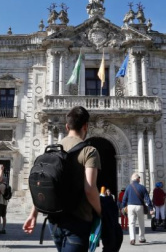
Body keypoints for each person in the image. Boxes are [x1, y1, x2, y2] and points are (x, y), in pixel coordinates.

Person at [23, 106, 101, 252]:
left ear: (66, 126)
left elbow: (46, 183)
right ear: (86, 126)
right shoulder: (89, 151)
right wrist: (100, 212)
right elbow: (90, 188)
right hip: (78, 222)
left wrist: (33, 214)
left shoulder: (53, 149)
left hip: (54, 222)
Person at [122, 173, 154, 245]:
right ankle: (141, 238)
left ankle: (132, 238)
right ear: (137, 179)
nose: (140, 179)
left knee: (131, 223)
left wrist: (123, 207)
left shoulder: (128, 187)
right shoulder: (142, 187)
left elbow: (124, 198)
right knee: (141, 223)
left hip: (130, 206)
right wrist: (151, 208)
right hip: (139, 206)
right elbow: (147, 199)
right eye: (139, 178)